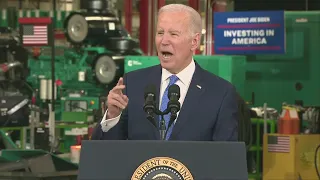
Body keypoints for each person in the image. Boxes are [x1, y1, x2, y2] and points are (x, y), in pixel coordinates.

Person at [91, 4, 239, 141]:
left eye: (173, 34)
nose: (164, 41)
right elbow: (106, 152)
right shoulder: (132, 84)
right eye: (160, 32)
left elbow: (226, 159)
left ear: (194, 41)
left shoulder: (221, 93)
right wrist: (112, 116)